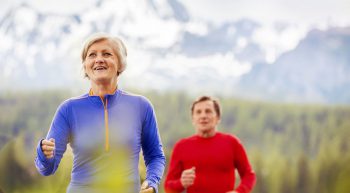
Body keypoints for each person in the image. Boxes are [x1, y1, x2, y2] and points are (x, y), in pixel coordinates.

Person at [35, 33, 166, 193]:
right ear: (85, 66)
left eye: (107, 54)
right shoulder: (68, 109)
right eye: (92, 55)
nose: (99, 59)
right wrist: (44, 153)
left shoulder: (141, 106)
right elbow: (47, 169)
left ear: (120, 64)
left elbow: (155, 156)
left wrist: (151, 182)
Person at [164, 96, 256, 193]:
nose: (203, 116)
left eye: (208, 111)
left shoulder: (232, 143)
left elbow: (249, 175)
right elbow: (168, 187)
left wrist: (239, 192)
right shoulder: (181, 146)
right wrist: (181, 183)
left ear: (218, 117)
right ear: (193, 119)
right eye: (198, 112)